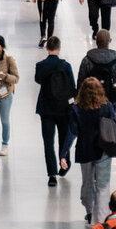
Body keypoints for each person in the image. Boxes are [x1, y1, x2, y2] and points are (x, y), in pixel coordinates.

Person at [71, 77, 116, 224]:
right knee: (103, 185)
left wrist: (63, 153)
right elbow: (115, 126)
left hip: (84, 150)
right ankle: (101, 220)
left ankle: (90, 211)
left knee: (87, 183)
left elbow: (73, 130)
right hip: (104, 149)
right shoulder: (107, 106)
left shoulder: (76, 108)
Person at [34, 35, 77, 186]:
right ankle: (64, 163)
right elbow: (72, 88)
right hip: (64, 109)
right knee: (64, 139)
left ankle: (52, 175)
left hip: (46, 109)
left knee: (48, 142)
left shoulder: (40, 65)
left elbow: (38, 80)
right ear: (59, 48)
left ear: (47, 48)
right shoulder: (66, 66)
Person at [79, 28, 116, 116]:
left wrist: (79, 102)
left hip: (90, 100)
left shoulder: (87, 60)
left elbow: (81, 82)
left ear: (96, 40)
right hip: (111, 100)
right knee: (108, 126)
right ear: (110, 41)